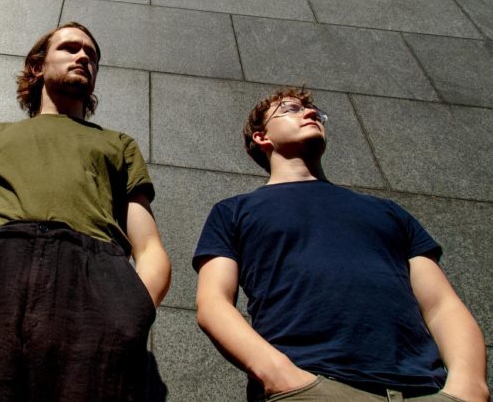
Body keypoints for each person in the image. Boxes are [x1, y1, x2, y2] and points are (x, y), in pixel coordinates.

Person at [0, 22, 171, 401]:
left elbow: (148, 246)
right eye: (70, 48)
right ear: (37, 66)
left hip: (92, 277)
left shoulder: (118, 144)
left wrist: (131, 311)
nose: (84, 56)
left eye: (92, 55)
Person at [193, 86, 489, 402]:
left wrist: (469, 386)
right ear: (261, 137)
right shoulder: (234, 212)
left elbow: (441, 304)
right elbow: (213, 302)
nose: (310, 113)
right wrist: (282, 376)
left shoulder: (387, 211)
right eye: (291, 109)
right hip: (311, 387)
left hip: (425, 391)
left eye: (314, 111)